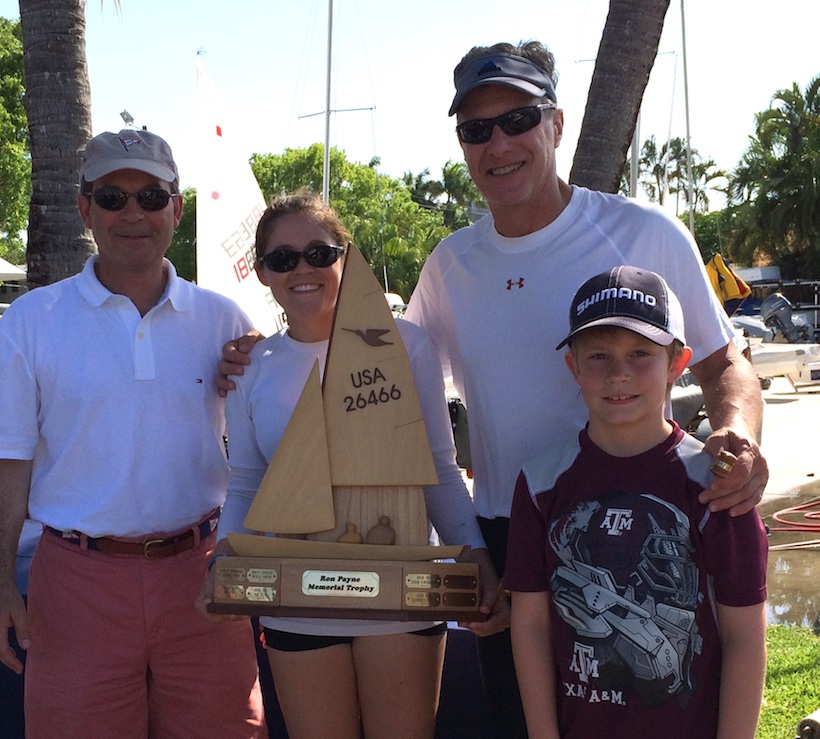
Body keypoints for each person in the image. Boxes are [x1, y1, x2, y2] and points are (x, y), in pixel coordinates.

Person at [218, 40, 768, 737]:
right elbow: (375, 379)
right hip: (517, 536)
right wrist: (259, 357)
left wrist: (739, 438)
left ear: (557, 123)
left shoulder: (647, 231)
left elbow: (725, 365)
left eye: (517, 119)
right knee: (524, 718)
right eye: (476, 130)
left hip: (655, 522)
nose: (497, 143)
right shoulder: (451, 263)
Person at [0, 129, 266, 738]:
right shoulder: (32, 321)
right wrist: (0, 582)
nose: (133, 213)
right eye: (112, 196)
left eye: (151, 196)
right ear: (85, 208)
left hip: (204, 576)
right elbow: (6, 462)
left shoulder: (226, 321)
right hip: (77, 585)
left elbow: (272, 448)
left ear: (176, 208)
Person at [200, 192, 497, 739]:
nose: (302, 269)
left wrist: (474, 553)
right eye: (282, 259)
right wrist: (226, 558)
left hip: (403, 591)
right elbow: (244, 484)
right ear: (263, 272)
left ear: (346, 256)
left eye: (319, 252)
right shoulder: (252, 366)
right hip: (294, 599)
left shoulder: (406, 345)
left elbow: (438, 465)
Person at [504, 265, 768, 738]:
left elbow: (745, 636)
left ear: (677, 363)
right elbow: (530, 627)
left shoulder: (719, 483)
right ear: (574, 366)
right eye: (600, 356)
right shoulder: (541, 482)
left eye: (641, 354)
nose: (619, 374)